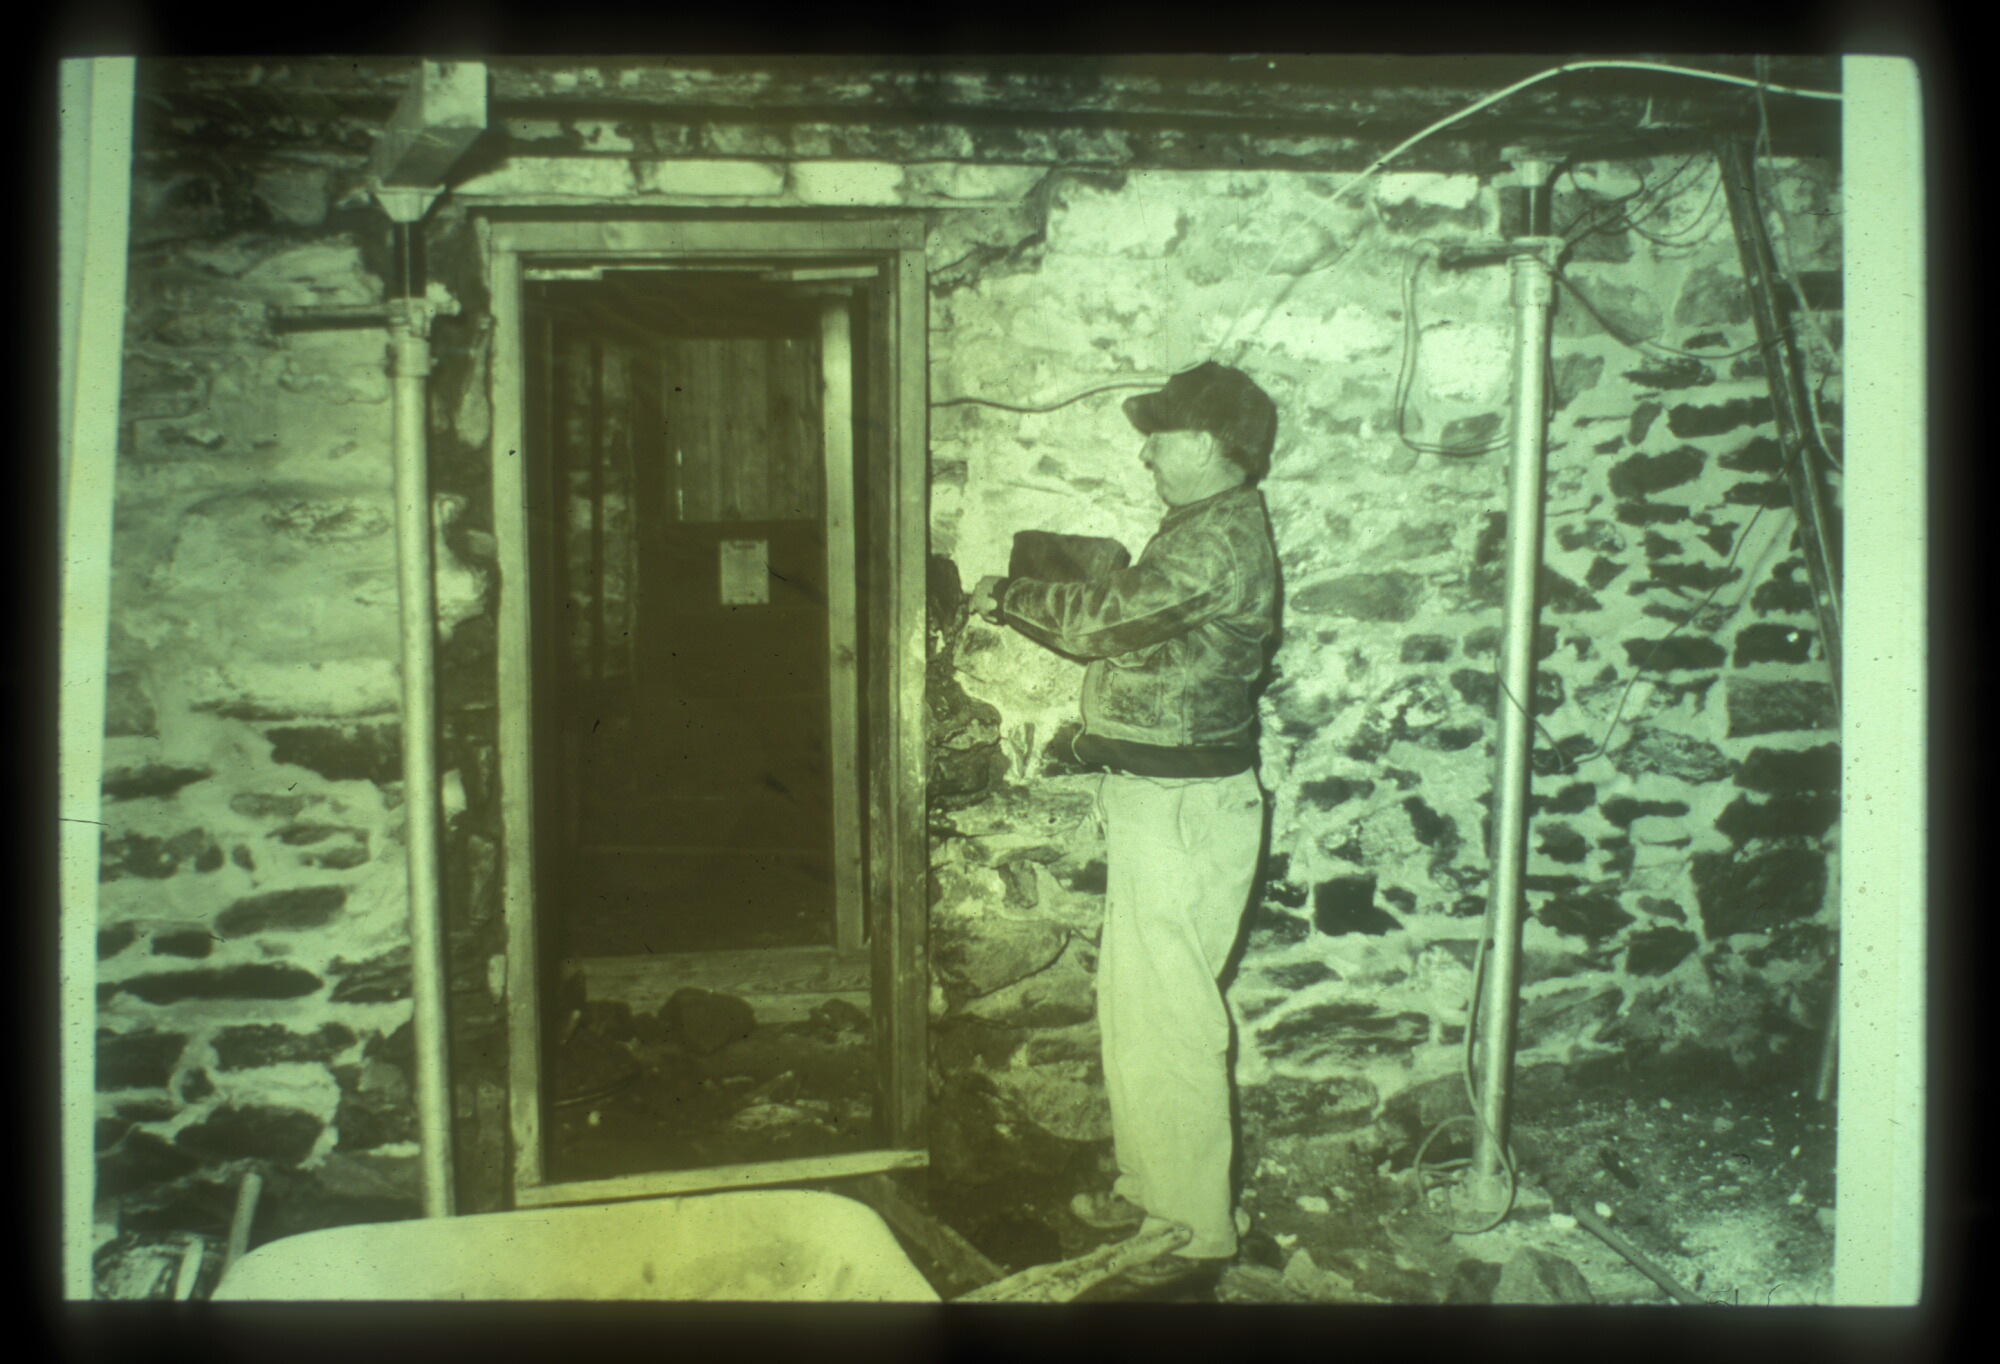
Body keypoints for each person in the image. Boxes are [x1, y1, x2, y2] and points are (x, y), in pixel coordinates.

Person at [971, 361, 1281, 1284]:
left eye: (1163, 435)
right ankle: (1153, 1189)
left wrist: (1003, 593)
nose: (1146, 451)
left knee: (1174, 1020)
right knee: (1137, 1012)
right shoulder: (1201, 528)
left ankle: (1192, 1231)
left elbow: (1103, 622)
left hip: (1186, 809)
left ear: (1213, 447)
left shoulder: (1217, 541)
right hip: (1165, 799)